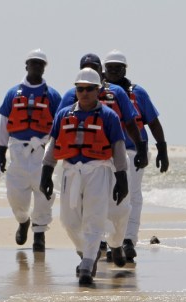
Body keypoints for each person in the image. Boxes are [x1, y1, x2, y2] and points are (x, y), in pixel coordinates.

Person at [40, 68, 128, 286]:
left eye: (89, 89)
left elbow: (118, 148)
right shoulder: (63, 115)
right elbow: (52, 146)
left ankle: (87, 264)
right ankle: (86, 252)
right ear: (76, 90)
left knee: (94, 218)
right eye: (80, 89)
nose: (85, 93)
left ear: (98, 90)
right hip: (70, 170)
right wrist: (46, 174)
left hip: (98, 170)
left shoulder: (109, 116)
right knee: (69, 221)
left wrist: (122, 178)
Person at [59, 53, 145, 266]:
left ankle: (116, 244)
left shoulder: (117, 95)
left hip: (110, 159)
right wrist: (46, 167)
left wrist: (142, 147)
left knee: (118, 208)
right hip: (75, 165)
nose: (84, 92)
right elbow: (57, 130)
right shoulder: (70, 96)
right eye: (85, 68)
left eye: (94, 68)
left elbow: (131, 123)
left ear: (101, 71)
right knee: (76, 215)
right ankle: (88, 253)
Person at [103, 49, 169, 262]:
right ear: (104, 70)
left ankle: (129, 240)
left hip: (133, 151)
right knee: (103, 196)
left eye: (117, 67)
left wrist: (162, 149)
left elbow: (153, 122)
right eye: (109, 67)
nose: (113, 71)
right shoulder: (97, 92)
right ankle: (106, 239)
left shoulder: (138, 93)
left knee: (133, 196)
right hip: (103, 154)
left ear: (125, 70)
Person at [0, 49, 62, 252]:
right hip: (18, 152)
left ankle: (39, 233)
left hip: (43, 151)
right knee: (16, 196)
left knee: (44, 195)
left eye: (40, 64)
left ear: (44, 67)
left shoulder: (52, 95)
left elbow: (60, 125)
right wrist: (0, 151)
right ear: (26, 66)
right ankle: (23, 221)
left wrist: (59, 152)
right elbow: (4, 123)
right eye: (33, 63)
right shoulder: (12, 94)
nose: (36, 67)